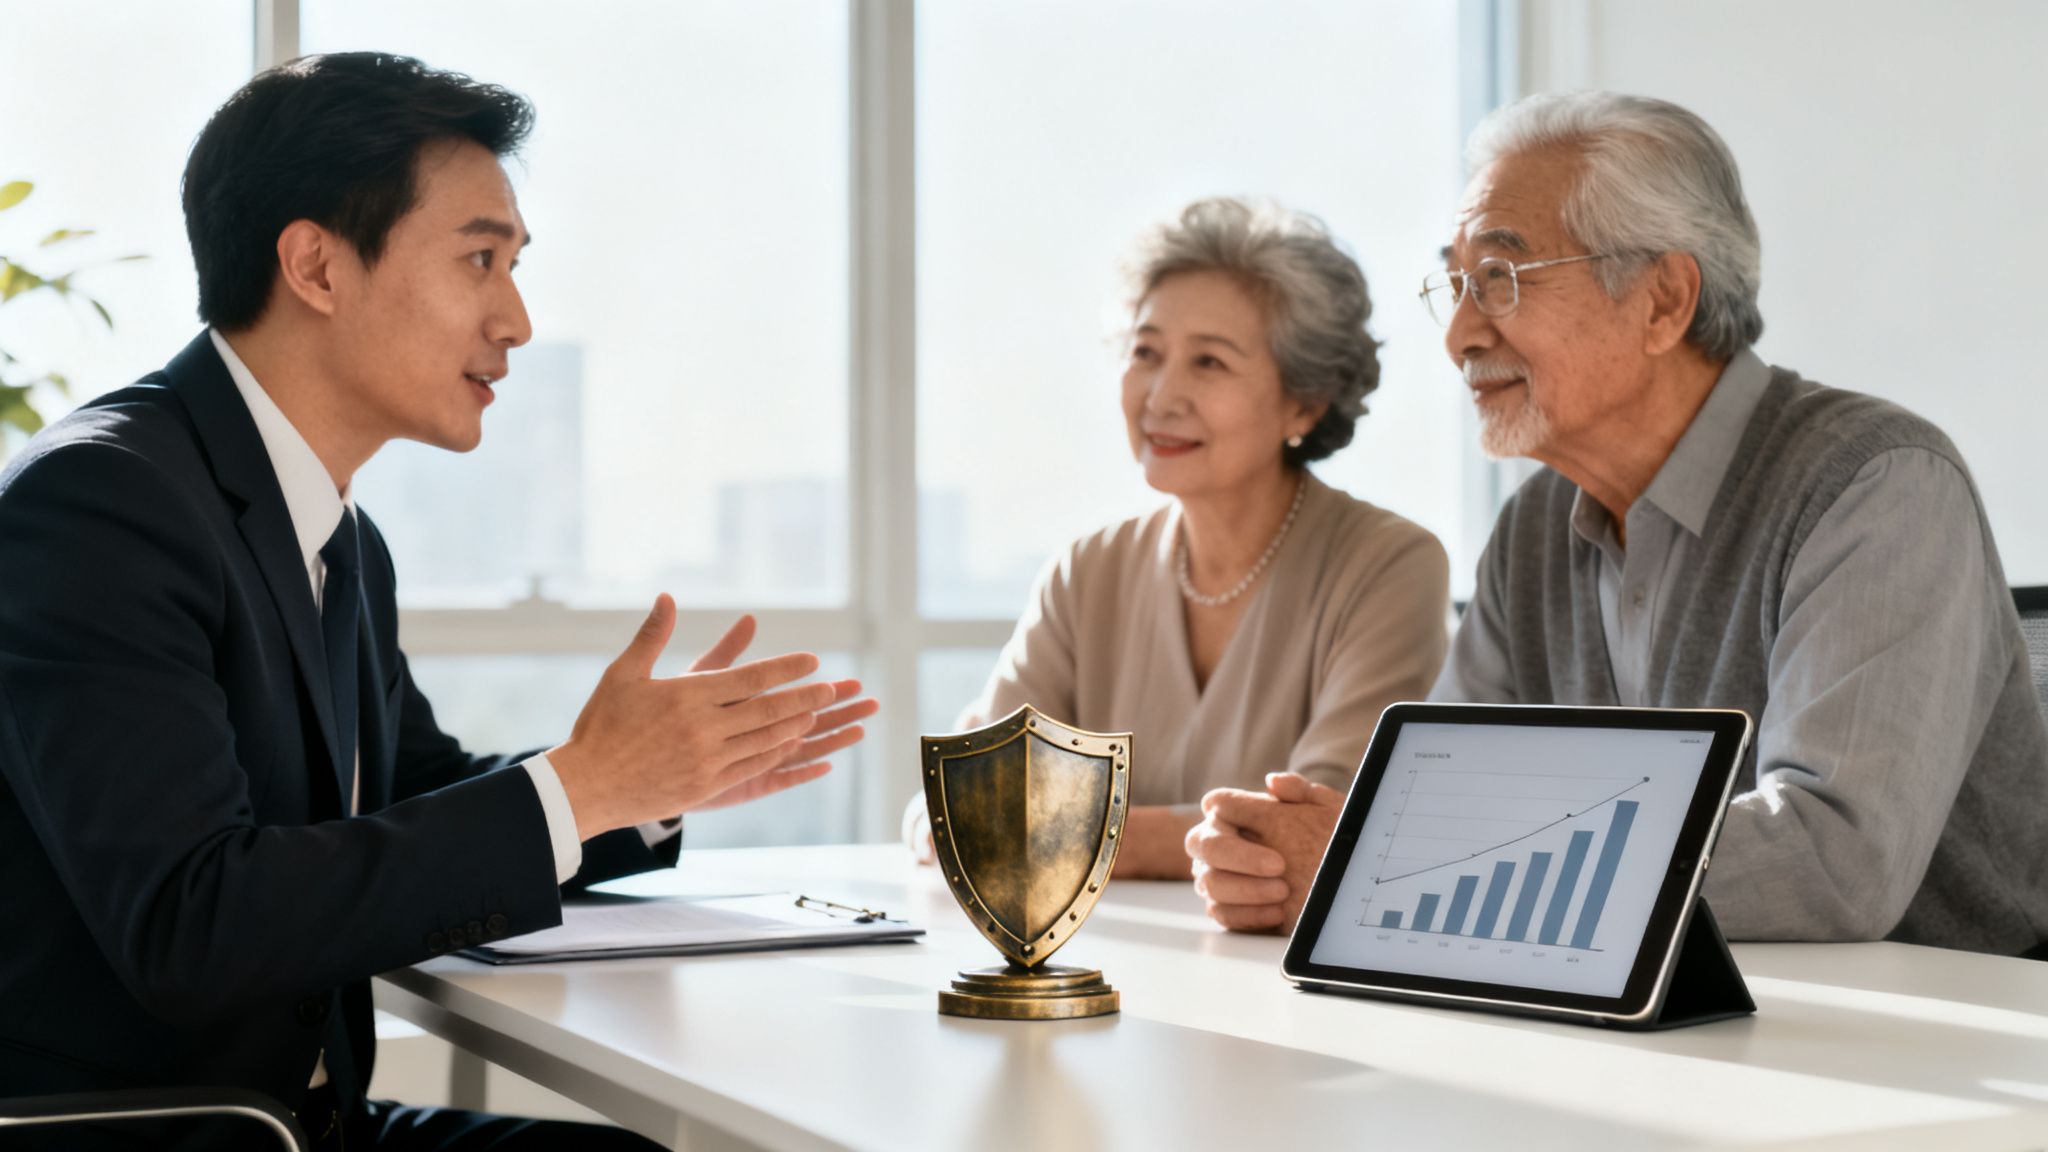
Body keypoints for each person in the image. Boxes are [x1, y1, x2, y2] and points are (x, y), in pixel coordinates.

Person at [0, 54, 876, 1149]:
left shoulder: (339, 538)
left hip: (302, 1120)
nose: (513, 317)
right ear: (315, 265)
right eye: (479, 259)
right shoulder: (103, 503)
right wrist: (577, 785)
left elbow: (412, 794)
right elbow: (194, 922)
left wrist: (643, 785)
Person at [1185, 92, 2048, 957]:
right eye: (1454, 283)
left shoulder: (1875, 481)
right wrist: (1299, 858)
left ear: (1664, 300)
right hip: (1653, 1021)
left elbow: (1831, 857)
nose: (1458, 333)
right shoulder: (1533, 528)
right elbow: (1431, 800)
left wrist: (1377, 864)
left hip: (1939, 1036)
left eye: (1500, 277)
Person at [908, 198, 1449, 878]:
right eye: (1146, 352)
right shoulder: (1087, 571)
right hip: (1096, 958)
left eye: (1210, 363)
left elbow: (1325, 827)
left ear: (1304, 402)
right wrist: (966, 819)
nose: (1161, 395)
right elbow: (964, 801)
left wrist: (1063, 835)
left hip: (1271, 974)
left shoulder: (1389, 564)